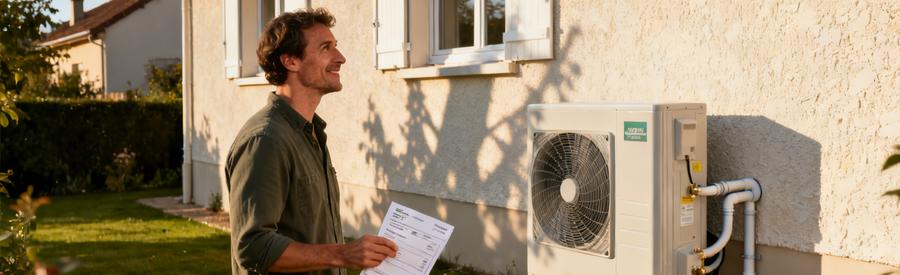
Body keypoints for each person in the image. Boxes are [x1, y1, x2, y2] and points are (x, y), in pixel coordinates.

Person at [225, 8, 397, 275]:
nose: (341, 58)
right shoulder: (265, 141)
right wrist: (344, 254)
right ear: (291, 61)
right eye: (326, 48)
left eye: (335, 47)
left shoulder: (311, 132)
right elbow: (253, 246)